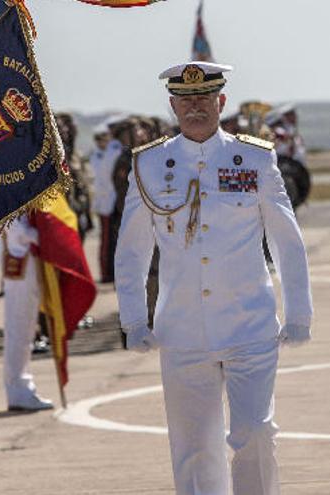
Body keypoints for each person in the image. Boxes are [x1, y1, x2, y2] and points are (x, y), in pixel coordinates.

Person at [115, 62, 313, 495]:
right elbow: (131, 249)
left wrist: (299, 312)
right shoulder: (149, 165)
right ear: (172, 105)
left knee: (256, 433)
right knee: (194, 447)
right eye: (186, 100)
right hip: (183, 328)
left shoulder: (255, 158)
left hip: (250, 323)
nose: (196, 107)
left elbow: (286, 238)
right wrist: (133, 319)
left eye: (205, 98)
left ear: (220, 102)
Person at [1, 215, 54, 411]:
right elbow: (11, 222)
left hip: (28, 254)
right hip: (19, 254)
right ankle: (17, 388)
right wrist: (43, 234)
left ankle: (22, 386)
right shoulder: (5, 184)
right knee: (19, 326)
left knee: (27, 326)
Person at [88, 127, 122, 283]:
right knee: (106, 240)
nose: (103, 141)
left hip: (114, 199)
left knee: (115, 239)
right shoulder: (95, 156)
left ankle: (114, 272)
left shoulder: (112, 152)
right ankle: (106, 273)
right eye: (100, 139)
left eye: (105, 138)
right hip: (104, 203)